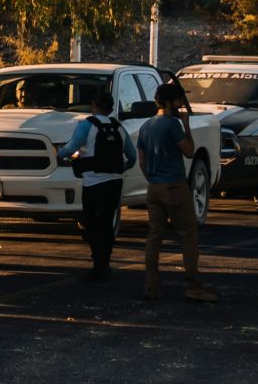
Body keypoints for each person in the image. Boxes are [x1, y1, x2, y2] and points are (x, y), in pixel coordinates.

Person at [138, 81, 215, 303]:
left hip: (154, 188)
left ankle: (151, 286)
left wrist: (153, 180)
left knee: (154, 237)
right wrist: (187, 126)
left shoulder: (146, 126)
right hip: (175, 185)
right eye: (179, 100)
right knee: (188, 235)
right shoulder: (172, 125)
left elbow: (142, 162)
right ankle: (193, 286)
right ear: (170, 102)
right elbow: (189, 152)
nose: (181, 104)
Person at [64, 83, 128, 281]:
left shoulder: (86, 124)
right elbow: (132, 156)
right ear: (110, 108)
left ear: (93, 105)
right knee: (107, 222)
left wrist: (60, 154)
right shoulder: (119, 127)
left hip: (93, 183)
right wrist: (119, 169)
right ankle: (105, 263)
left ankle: (97, 263)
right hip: (114, 182)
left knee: (92, 223)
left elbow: (71, 147)